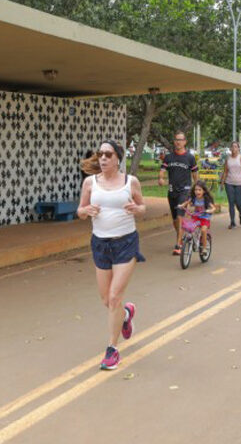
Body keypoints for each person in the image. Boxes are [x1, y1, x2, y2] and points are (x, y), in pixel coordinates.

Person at [77, 140, 146, 370]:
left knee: (115, 296)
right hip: (100, 243)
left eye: (108, 154)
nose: (103, 158)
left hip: (125, 242)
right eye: (100, 154)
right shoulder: (90, 182)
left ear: (118, 158)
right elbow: (80, 211)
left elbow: (142, 206)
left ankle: (112, 350)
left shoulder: (130, 182)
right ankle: (126, 314)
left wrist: (138, 209)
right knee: (107, 301)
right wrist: (85, 211)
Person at [158, 131, 198, 256]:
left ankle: (178, 244)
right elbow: (163, 170)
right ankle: (180, 234)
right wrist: (161, 178)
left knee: (180, 217)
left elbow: (195, 174)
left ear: (185, 142)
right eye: (176, 140)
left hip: (185, 190)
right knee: (175, 219)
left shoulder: (190, 158)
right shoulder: (169, 157)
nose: (178, 142)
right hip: (172, 191)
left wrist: (197, 189)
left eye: (180, 140)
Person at [178, 180, 216, 252]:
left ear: (204, 191)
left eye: (199, 190)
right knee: (187, 226)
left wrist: (209, 210)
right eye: (195, 190)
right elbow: (186, 202)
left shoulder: (206, 199)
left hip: (205, 218)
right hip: (196, 217)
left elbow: (213, 208)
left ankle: (204, 248)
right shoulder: (193, 198)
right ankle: (182, 242)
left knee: (203, 230)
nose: (197, 191)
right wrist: (181, 206)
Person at [220, 141, 241, 229]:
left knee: (238, 202)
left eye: (236, 147)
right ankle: (232, 222)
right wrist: (222, 183)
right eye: (232, 147)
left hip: (239, 183)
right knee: (231, 202)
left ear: (238, 148)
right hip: (229, 183)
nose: (234, 148)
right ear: (230, 148)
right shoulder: (228, 159)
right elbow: (225, 171)